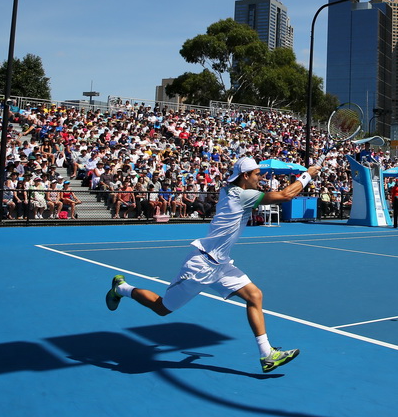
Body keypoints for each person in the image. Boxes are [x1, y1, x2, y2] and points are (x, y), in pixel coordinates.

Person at [105, 157, 321, 373]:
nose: (260, 177)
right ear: (245, 176)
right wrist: (308, 174)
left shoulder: (229, 190)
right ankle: (121, 289)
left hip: (221, 264)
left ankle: (267, 355)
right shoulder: (242, 195)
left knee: (255, 295)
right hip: (201, 266)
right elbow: (285, 195)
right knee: (162, 308)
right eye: (257, 174)